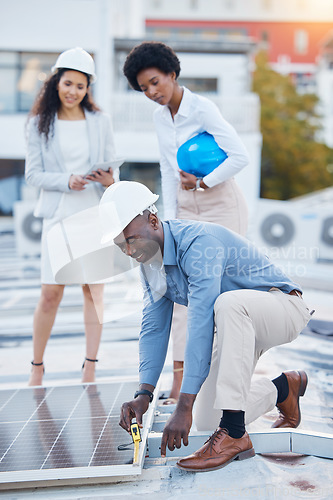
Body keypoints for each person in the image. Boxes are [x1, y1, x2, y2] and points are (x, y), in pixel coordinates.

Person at [98, 181, 311, 472]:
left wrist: (183, 404)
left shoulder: (199, 242)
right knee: (209, 420)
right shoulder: (151, 265)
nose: (128, 250)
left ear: (153, 220)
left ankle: (235, 435)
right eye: (121, 245)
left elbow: (199, 320)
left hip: (282, 308)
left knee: (227, 303)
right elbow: (154, 328)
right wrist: (143, 394)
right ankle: (284, 388)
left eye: (131, 240)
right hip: (237, 327)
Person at [123, 41, 250, 403]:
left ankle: (226, 379)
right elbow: (166, 168)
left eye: (154, 82)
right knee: (177, 292)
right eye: (143, 88)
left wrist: (204, 182)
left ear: (172, 74)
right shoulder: (159, 117)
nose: (151, 92)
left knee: (222, 296)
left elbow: (239, 156)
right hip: (185, 208)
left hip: (222, 203)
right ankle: (181, 382)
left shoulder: (203, 108)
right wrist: (170, 219)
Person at [25, 47, 117, 386]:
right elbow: (33, 175)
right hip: (58, 217)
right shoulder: (39, 124)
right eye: (67, 83)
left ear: (87, 88)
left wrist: (108, 180)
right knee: (51, 293)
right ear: (56, 82)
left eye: (80, 86)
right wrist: (66, 180)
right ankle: (37, 368)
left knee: (93, 293)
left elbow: (111, 170)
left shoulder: (101, 121)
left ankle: (90, 367)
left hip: (93, 215)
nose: (72, 91)